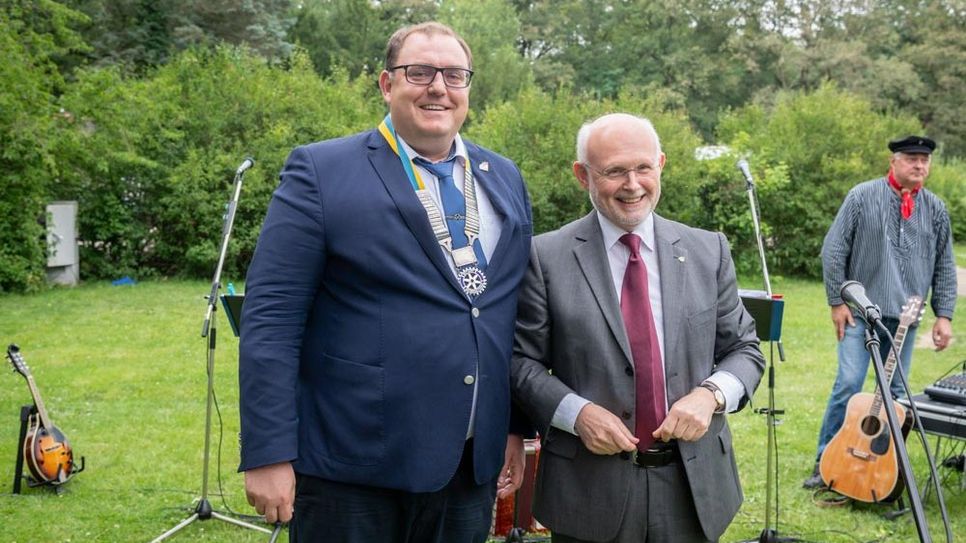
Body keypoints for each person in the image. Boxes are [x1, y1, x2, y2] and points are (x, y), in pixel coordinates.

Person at [237, 21, 534, 542]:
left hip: (467, 464)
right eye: (418, 72)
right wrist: (268, 452)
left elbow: (504, 314)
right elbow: (272, 321)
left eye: (454, 74)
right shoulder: (321, 171)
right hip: (354, 465)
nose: (438, 87)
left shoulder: (502, 176)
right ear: (385, 83)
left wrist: (512, 427)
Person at [511, 113, 765, 543]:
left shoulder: (708, 250)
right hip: (589, 490)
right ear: (582, 175)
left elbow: (745, 348)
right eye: (614, 171)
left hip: (694, 487)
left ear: (660, 164)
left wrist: (711, 395)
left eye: (643, 167)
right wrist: (577, 414)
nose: (633, 185)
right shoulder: (544, 257)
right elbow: (520, 363)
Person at [802, 135, 957, 489]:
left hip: (905, 319)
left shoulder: (936, 209)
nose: (920, 166)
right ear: (894, 162)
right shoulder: (862, 196)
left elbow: (945, 265)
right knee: (849, 385)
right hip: (859, 315)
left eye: (925, 160)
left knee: (894, 397)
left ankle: (881, 466)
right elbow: (833, 250)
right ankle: (825, 460)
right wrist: (837, 302)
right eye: (912, 159)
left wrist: (943, 314)